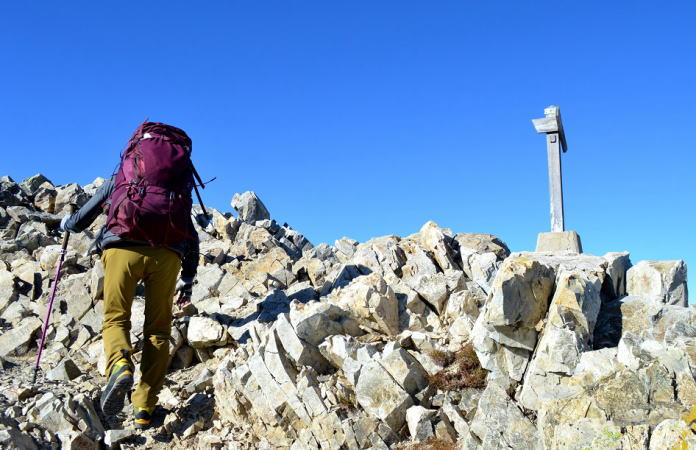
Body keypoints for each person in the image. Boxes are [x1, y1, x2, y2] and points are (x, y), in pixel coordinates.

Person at [61, 122, 200, 429]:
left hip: (121, 248)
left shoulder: (125, 174)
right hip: (167, 255)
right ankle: (144, 408)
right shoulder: (177, 187)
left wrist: (69, 224)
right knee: (158, 332)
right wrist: (188, 280)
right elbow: (191, 236)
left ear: (136, 149)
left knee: (115, 319)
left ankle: (120, 364)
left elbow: (92, 207)